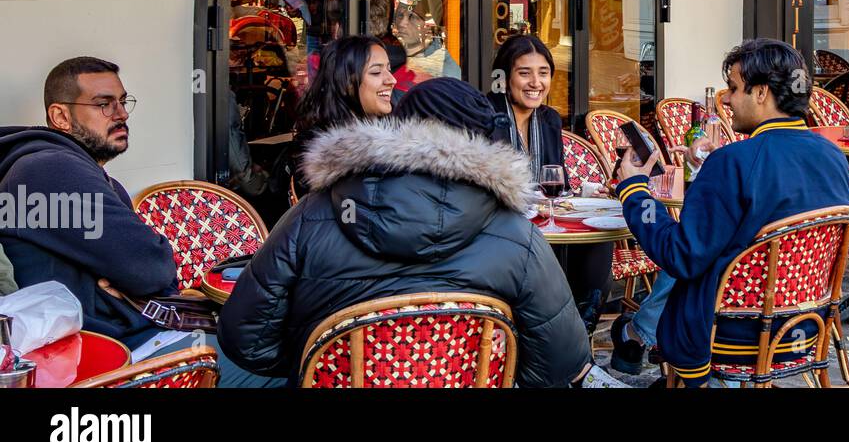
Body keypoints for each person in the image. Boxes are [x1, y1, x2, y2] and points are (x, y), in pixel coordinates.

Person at [219, 78, 623, 387]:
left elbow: (245, 340)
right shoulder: (517, 235)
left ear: (396, 128)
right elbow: (561, 364)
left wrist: (324, 361)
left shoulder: (314, 211)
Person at [0, 57, 278, 387]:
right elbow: (153, 267)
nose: (121, 114)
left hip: (128, 338)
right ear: (60, 116)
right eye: (103, 104)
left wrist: (130, 275)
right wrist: (133, 274)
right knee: (279, 364)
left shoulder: (75, 170)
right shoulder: (49, 169)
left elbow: (148, 272)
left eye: (122, 101)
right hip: (116, 359)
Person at [608, 39, 849, 387]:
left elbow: (679, 255)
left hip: (729, 334)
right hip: (803, 325)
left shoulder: (734, 161)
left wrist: (634, 191)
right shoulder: (833, 156)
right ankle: (637, 335)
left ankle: (637, 336)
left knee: (686, 270)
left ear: (761, 93)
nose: (724, 99)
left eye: (734, 88)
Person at [488, 36, 611, 332]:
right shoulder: (487, 119)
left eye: (543, 73)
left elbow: (557, 185)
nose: (535, 82)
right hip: (502, 227)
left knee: (600, 237)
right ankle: (570, 337)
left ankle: (580, 330)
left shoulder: (548, 120)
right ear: (504, 78)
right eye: (524, 72)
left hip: (544, 226)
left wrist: (588, 193)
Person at [285, 36, 395, 199]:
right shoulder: (324, 156)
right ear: (346, 84)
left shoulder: (387, 135)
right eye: (376, 72)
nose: (392, 80)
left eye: (389, 69)